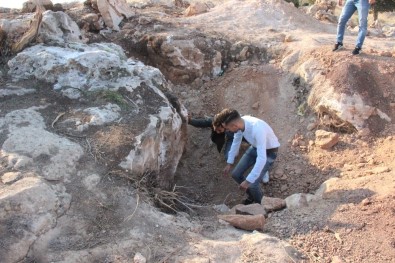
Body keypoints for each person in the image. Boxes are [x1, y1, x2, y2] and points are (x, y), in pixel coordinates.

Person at [217, 109, 280, 205]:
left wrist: (247, 181)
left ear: (234, 126)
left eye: (228, 128)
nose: (227, 131)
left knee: (252, 185)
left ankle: (262, 206)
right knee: (236, 174)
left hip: (269, 152)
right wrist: (230, 162)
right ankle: (252, 196)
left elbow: (262, 158)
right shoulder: (240, 124)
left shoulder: (257, 128)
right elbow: (236, 142)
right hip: (255, 147)